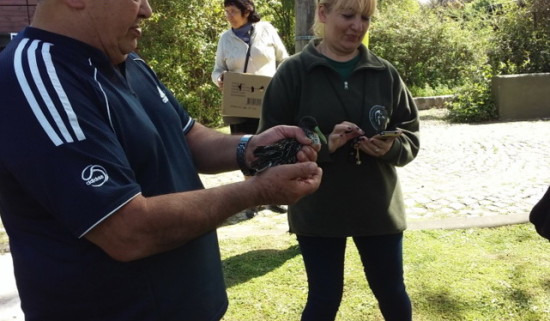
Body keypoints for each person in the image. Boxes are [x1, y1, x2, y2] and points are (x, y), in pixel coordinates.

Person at [0, 0, 323, 320]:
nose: (147, 10)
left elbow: (187, 137)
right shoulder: (35, 76)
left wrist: (253, 146)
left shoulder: (127, 59)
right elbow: (126, 231)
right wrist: (259, 191)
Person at [257, 0, 420, 319]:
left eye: (365, 18)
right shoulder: (293, 73)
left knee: (392, 292)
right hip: (317, 209)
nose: (357, 26)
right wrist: (322, 145)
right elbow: (268, 150)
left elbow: (410, 134)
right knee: (324, 297)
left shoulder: (384, 73)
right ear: (322, 14)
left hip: (378, 208)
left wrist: (391, 148)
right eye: (347, 15)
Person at [212, 0, 289, 218]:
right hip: (237, 102)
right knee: (244, 148)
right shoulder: (225, 39)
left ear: (247, 11)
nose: (228, 15)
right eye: (226, 11)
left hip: (268, 100)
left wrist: (280, 83)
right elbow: (217, 69)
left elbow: (284, 60)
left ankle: (274, 196)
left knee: (272, 146)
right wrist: (219, 79)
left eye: (233, 11)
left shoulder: (267, 30)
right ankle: (252, 200)